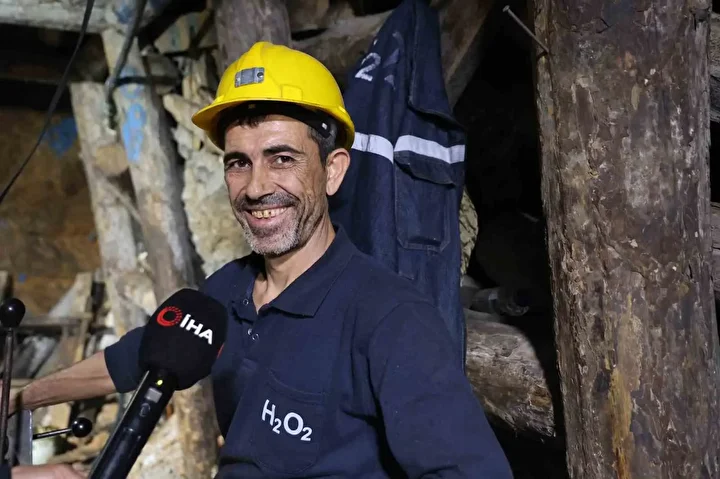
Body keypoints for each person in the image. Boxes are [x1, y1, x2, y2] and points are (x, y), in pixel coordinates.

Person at [5, 42, 513, 477]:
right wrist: (19, 399)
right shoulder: (225, 292)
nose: (256, 187)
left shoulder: (390, 318)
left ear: (333, 171)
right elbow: (139, 356)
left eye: (282, 158)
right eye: (238, 163)